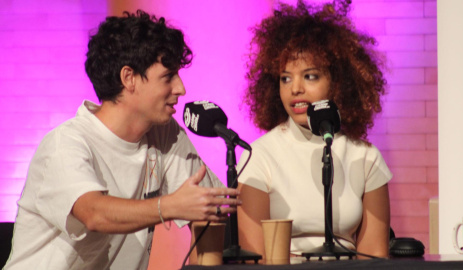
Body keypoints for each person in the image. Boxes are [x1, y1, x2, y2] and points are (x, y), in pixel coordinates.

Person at [4, 10, 240, 270]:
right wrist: (169, 206)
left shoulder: (163, 133)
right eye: (168, 76)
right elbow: (93, 213)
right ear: (128, 78)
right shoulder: (66, 144)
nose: (181, 89)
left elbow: (210, 208)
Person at [237, 0, 392, 260]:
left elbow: (374, 257)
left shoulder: (366, 158)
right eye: (285, 78)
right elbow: (256, 258)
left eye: (310, 76)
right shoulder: (259, 156)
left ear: (338, 82)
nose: (295, 88)